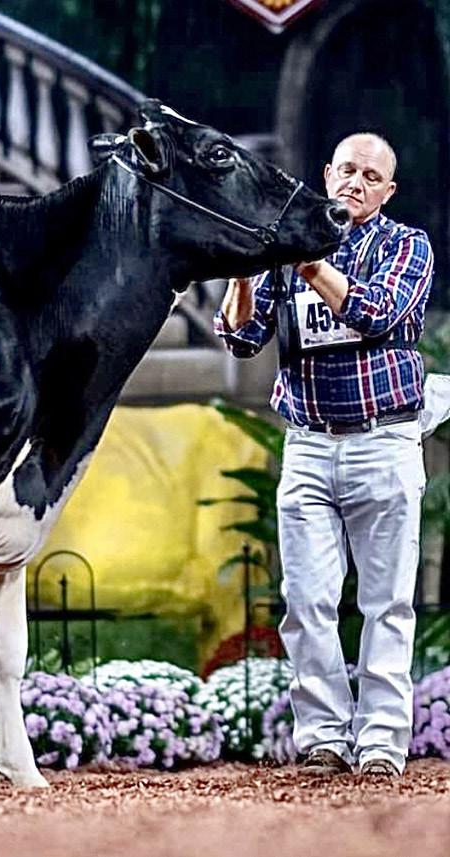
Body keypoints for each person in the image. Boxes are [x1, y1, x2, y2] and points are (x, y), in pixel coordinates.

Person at [214, 133, 435, 778]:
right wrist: (245, 268)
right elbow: (241, 338)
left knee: (387, 603)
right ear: (327, 173)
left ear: (387, 191)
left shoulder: (406, 246)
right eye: (347, 171)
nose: (356, 183)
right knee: (307, 601)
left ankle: (382, 744)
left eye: (371, 176)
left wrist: (306, 258)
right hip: (308, 445)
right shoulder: (286, 252)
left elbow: (375, 313)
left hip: (383, 441)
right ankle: (324, 738)